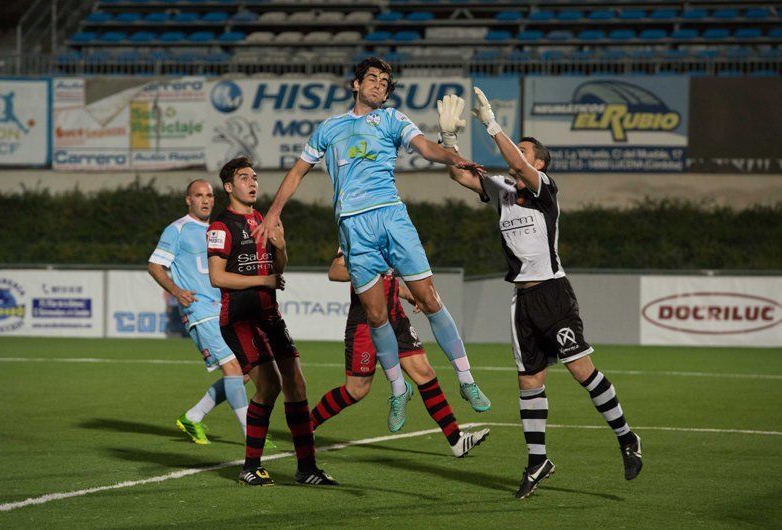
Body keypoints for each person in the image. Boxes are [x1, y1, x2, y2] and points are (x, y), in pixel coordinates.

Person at [253, 56, 491, 434]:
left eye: (385, 81)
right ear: (356, 84)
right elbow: (298, 171)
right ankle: (399, 389)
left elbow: (425, 148)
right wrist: (272, 213)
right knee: (377, 315)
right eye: (374, 79)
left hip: (391, 217)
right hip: (353, 226)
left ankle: (466, 380)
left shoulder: (393, 119)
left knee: (429, 299)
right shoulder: (329, 128)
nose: (380, 85)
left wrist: (455, 156)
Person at [437, 90, 643, 499]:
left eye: (527, 150)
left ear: (539, 163)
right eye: (520, 149)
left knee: (582, 372)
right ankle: (537, 461)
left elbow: (514, 160)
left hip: (553, 294)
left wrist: (492, 124)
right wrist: (447, 142)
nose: (519, 155)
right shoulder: (502, 191)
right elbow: (459, 174)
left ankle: (626, 436)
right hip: (522, 301)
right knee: (529, 381)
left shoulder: (545, 189)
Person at [207, 156, 337, 487]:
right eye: (244, 178)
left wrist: (281, 248)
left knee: (297, 384)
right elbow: (217, 277)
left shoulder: (264, 219)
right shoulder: (220, 226)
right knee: (269, 385)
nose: (253, 183)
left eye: (254, 177)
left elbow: (278, 266)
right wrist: (262, 282)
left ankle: (306, 468)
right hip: (239, 318)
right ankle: (250, 465)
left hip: (269, 316)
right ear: (228, 187)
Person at [310, 250, 490, 457]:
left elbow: (389, 280)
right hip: (366, 323)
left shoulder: (390, 234)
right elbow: (335, 272)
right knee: (356, 390)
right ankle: (307, 426)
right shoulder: (355, 230)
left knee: (424, 373)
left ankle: (456, 439)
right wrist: (367, 275)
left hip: (396, 319)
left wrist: (408, 294)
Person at [148, 179, 259, 446]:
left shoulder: (218, 228)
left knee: (243, 373)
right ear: (189, 199)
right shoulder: (177, 229)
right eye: (199, 195)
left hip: (224, 310)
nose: (206, 200)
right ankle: (252, 436)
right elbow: (154, 265)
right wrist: (176, 291)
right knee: (233, 370)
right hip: (200, 310)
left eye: (209, 195)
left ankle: (193, 417)